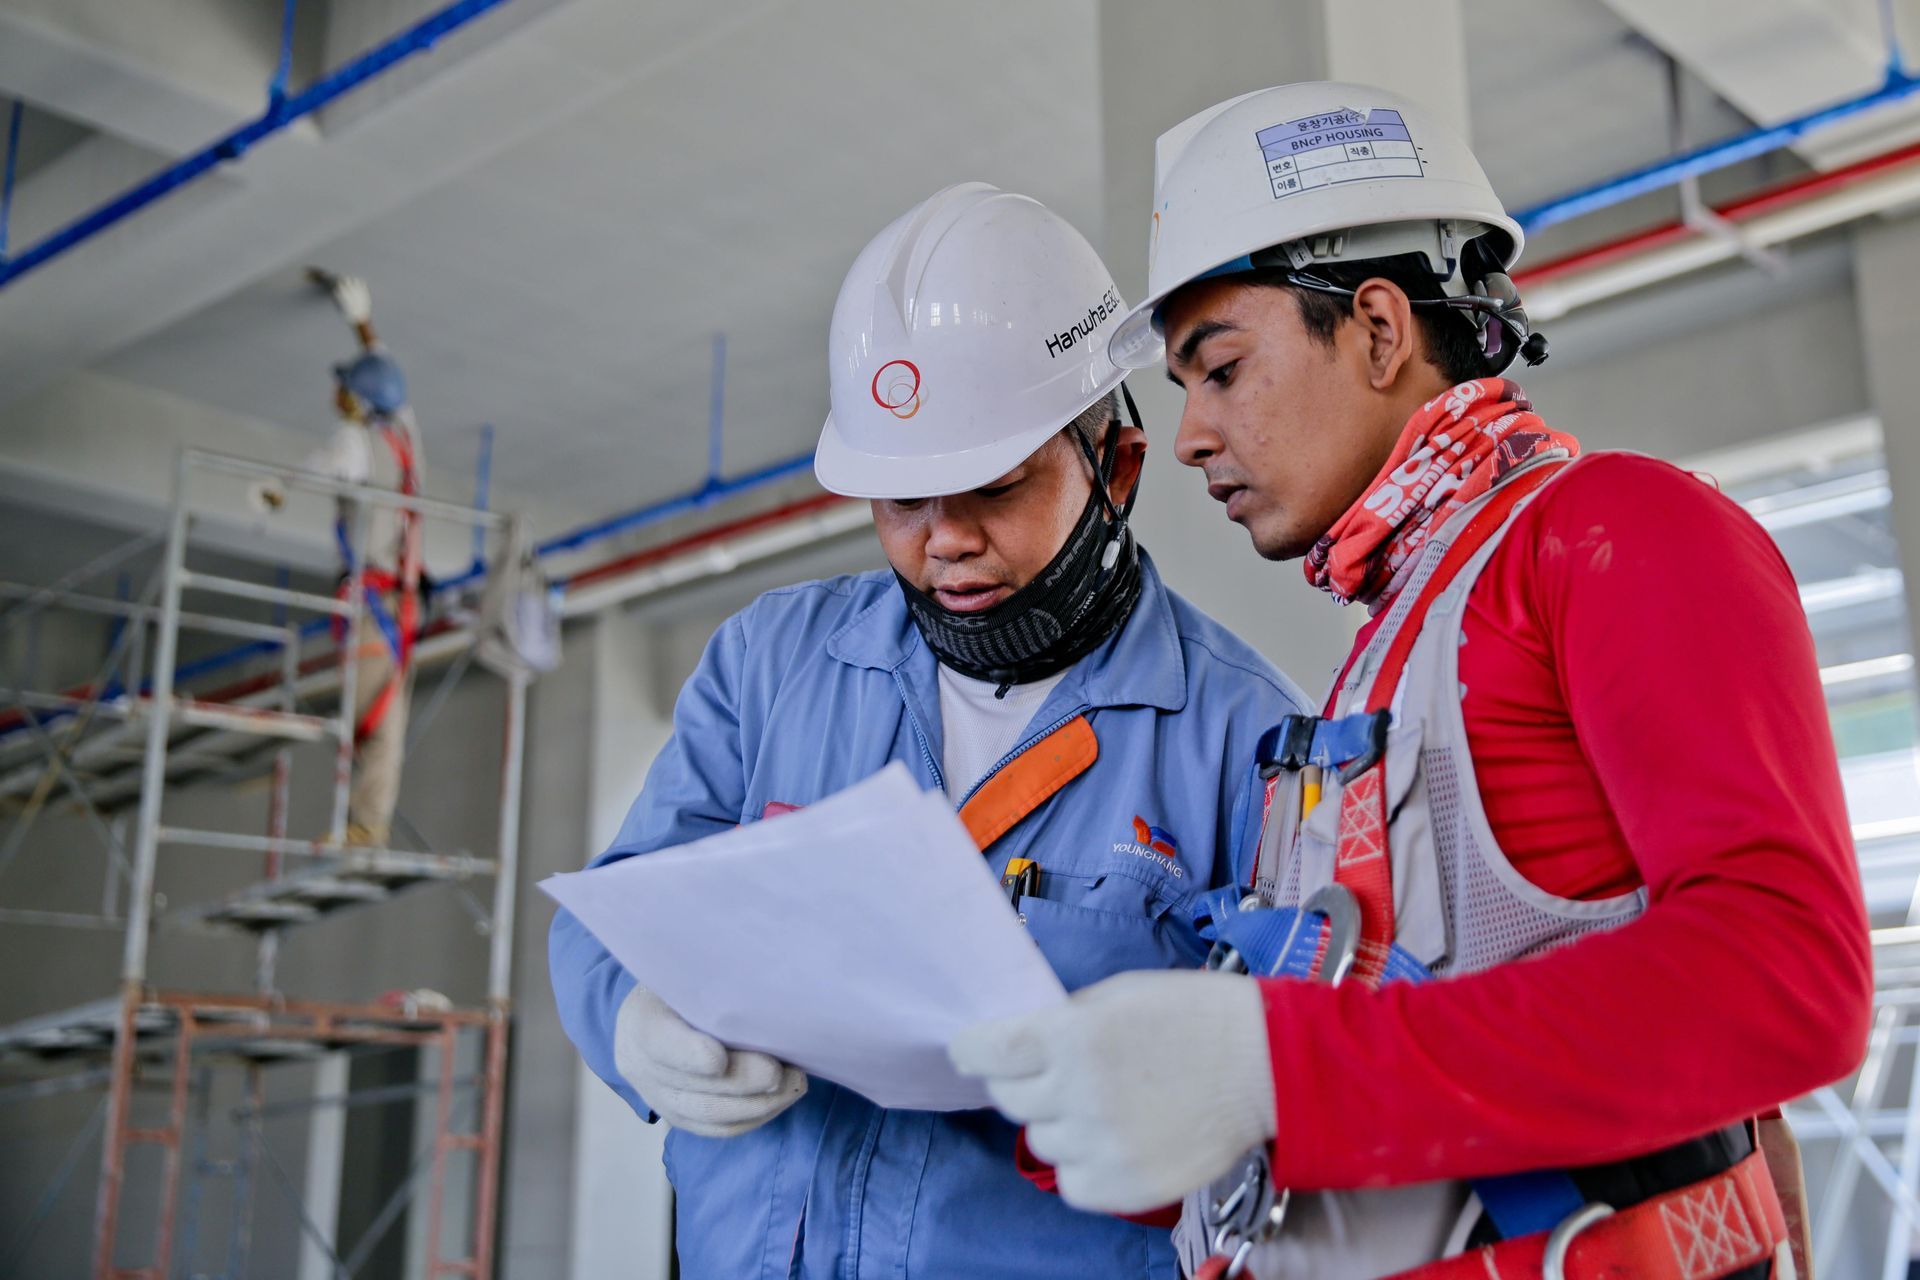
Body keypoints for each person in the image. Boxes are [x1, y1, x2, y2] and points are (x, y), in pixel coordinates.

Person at [951, 84, 1872, 1280]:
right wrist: (1130, 1091)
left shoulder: (1615, 533)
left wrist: (1274, 1069)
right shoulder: (1386, 659)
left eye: (1219, 369)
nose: (1188, 436)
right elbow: (1380, 1049)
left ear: (1379, 329)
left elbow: (1786, 973)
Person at [548, 182, 1310, 1278]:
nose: (943, 540)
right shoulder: (770, 666)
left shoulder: (1246, 738)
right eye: (902, 499)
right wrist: (632, 1020)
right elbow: (617, 904)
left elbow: (1293, 1096)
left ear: (1118, 468)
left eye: (993, 489)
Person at [255, 271, 425, 847]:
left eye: (344, 388)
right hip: (398, 600)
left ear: (355, 400)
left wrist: (275, 489)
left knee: (367, 720)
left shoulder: (355, 443)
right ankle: (366, 823)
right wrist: (362, 323)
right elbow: (387, 377)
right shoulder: (403, 434)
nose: (337, 394)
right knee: (383, 715)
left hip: (373, 603)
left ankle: (361, 826)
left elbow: (320, 463)